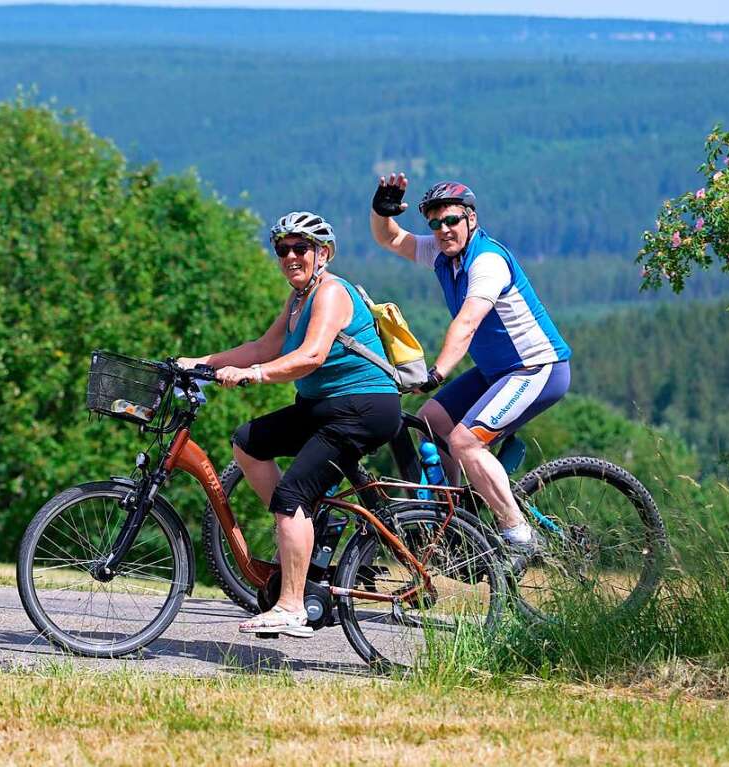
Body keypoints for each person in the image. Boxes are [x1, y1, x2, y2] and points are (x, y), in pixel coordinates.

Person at [178, 211, 401, 638]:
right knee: (248, 443)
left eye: (301, 248)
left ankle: (292, 606)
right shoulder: (298, 300)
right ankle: (301, 531)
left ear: (324, 254)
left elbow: (312, 355)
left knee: (290, 496)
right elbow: (263, 345)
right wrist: (201, 363)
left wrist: (257, 374)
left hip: (362, 407)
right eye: (283, 249)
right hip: (324, 405)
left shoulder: (332, 293)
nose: (291, 256)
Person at [369, 173, 571, 563]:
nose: (443, 230)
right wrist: (381, 210)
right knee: (430, 419)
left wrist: (438, 371)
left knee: (465, 441)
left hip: (536, 368)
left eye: (452, 221)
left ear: (471, 220)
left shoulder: (488, 261)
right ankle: (458, 519)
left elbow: (466, 324)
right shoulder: (445, 255)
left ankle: (518, 535)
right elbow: (390, 238)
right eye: (435, 224)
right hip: (497, 371)